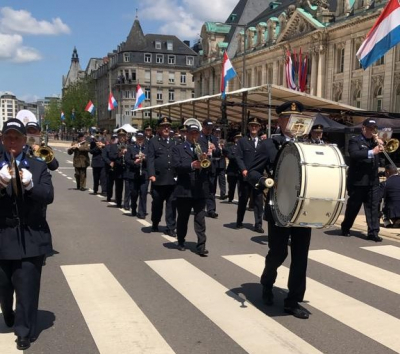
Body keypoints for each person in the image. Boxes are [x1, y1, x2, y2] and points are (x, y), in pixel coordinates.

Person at [248, 101, 312, 319]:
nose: (295, 123)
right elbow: (252, 172)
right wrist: (265, 181)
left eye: (298, 120)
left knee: (301, 256)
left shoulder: (309, 145)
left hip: (303, 208)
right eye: (289, 119)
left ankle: (292, 300)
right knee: (278, 253)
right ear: (280, 121)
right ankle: (267, 282)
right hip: (278, 207)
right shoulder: (269, 145)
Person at [0, 119, 54, 350]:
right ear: (2, 139)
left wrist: (31, 186)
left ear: (24, 140)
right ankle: (6, 309)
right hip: (2, 234)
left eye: (17, 137)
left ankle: (24, 330)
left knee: (27, 287)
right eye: (8, 137)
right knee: (3, 286)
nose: (13, 141)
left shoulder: (38, 166)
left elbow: (48, 195)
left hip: (30, 235)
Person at [341, 118, 383, 242]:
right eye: (370, 128)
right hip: (358, 181)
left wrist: (381, 146)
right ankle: (346, 227)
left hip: (373, 180)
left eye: (374, 129)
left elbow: (381, 158)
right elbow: (354, 154)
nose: (372, 131)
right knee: (354, 206)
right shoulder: (355, 140)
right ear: (363, 128)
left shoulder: (375, 142)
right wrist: (372, 152)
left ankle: (373, 232)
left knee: (373, 207)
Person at [172, 122, 209, 256]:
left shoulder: (202, 147)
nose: (194, 135)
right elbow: (177, 166)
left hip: (200, 189)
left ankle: (201, 245)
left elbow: (210, 168)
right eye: (191, 133)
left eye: (196, 133)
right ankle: (181, 240)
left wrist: (206, 160)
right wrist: (192, 165)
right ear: (186, 134)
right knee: (183, 218)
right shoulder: (178, 148)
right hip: (185, 189)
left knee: (200, 219)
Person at [147, 117, 177, 235]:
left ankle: (171, 227)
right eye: (163, 126)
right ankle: (155, 222)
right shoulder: (153, 142)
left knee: (172, 204)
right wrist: (151, 174)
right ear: (159, 129)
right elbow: (150, 159)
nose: (166, 128)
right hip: (159, 179)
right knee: (157, 204)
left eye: (168, 126)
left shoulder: (175, 141)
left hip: (172, 179)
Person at [235, 117, 265, 233]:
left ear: (259, 128)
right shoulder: (243, 141)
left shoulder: (262, 143)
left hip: (258, 176)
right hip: (246, 176)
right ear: (248, 127)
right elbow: (238, 157)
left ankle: (258, 224)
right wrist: (243, 169)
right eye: (252, 125)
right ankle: (239, 221)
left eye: (256, 126)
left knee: (258, 201)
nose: (254, 127)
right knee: (243, 199)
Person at [199, 119, 221, 218]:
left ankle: (211, 209)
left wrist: (215, 149)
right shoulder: (199, 137)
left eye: (210, 129)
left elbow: (219, 153)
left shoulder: (214, 138)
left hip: (212, 167)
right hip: (202, 168)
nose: (209, 130)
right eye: (207, 128)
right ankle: (200, 208)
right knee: (202, 188)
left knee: (212, 189)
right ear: (203, 127)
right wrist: (206, 152)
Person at [125, 131, 149, 219]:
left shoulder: (147, 148)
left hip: (144, 174)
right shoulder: (131, 148)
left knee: (143, 193)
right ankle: (134, 207)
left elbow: (151, 159)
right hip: (133, 174)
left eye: (141, 139)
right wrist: (134, 162)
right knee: (134, 193)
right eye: (138, 139)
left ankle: (142, 212)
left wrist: (145, 158)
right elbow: (127, 160)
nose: (140, 141)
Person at [223, 133, 241, 202]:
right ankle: (230, 198)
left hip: (240, 170)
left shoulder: (243, 148)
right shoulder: (231, 147)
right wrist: (238, 157)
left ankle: (241, 199)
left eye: (240, 138)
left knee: (241, 187)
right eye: (237, 138)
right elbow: (230, 156)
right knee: (231, 186)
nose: (238, 139)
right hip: (232, 170)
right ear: (235, 139)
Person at [213, 127, 227, 200]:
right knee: (214, 179)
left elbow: (227, 152)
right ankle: (213, 193)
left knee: (222, 179)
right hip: (215, 162)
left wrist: (223, 148)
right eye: (216, 132)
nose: (218, 134)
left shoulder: (223, 141)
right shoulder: (212, 141)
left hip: (221, 162)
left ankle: (223, 193)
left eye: (219, 133)